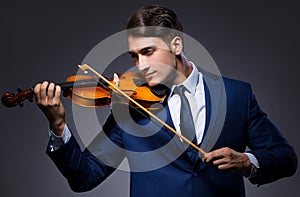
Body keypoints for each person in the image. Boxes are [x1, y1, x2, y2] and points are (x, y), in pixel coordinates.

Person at [33, 5, 297, 197]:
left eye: (148, 52)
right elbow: (84, 178)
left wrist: (248, 162)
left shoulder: (238, 95)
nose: (141, 65)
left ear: (176, 46)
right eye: (134, 56)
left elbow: (286, 159)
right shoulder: (130, 107)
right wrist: (58, 127)